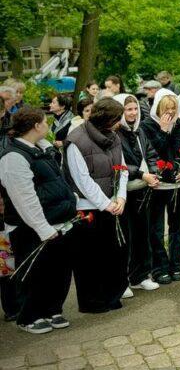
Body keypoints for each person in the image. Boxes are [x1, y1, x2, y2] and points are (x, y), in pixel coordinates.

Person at [0, 108, 79, 333]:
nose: (48, 126)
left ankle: (53, 309)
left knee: (59, 270)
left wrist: (70, 198)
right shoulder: (13, 157)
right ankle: (29, 316)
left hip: (59, 220)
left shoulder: (41, 149)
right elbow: (24, 198)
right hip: (30, 227)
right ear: (36, 126)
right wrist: (42, 228)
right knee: (36, 273)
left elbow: (57, 179)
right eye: (45, 122)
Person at [63, 97, 130, 313]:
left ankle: (112, 295)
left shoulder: (113, 136)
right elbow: (82, 180)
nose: (119, 123)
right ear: (106, 118)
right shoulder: (76, 141)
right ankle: (93, 301)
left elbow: (122, 168)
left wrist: (120, 197)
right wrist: (105, 204)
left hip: (113, 203)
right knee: (90, 258)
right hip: (88, 206)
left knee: (114, 254)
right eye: (116, 119)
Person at [142, 88, 180, 284]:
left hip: (179, 184)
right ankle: (159, 267)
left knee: (178, 226)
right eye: (166, 108)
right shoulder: (147, 126)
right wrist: (163, 131)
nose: (170, 112)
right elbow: (155, 153)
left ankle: (176, 265)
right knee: (155, 228)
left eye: (174, 108)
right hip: (158, 184)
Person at [113, 94, 161, 292]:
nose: (132, 113)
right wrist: (143, 174)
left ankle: (140, 275)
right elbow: (119, 163)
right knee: (126, 237)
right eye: (128, 110)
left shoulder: (139, 130)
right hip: (125, 191)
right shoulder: (115, 134)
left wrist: (154, 173)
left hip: (143, 188)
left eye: (135, 109)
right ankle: (122, 279)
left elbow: (150, 153)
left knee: (143, 234)